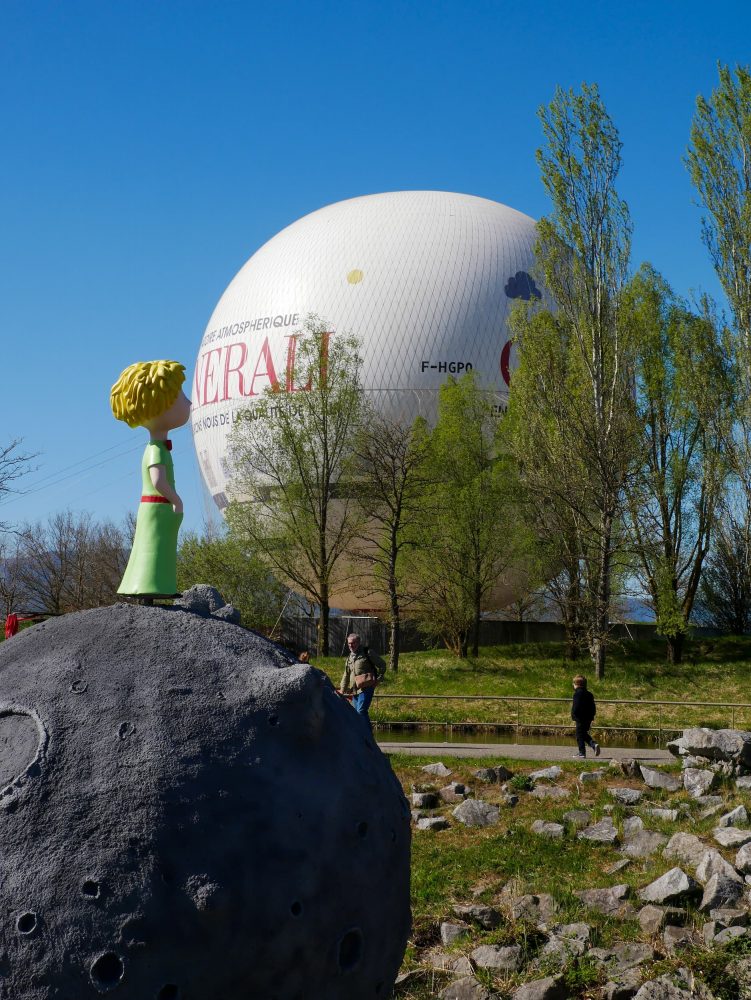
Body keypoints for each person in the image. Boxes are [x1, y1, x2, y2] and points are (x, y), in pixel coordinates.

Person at [110, 360, 191, 597]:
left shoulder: (156, 448)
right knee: (156, 546)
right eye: (180, 397)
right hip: (159, 506)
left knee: (153, 546)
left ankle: (152, 585)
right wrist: (176, 500)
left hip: (155, 507)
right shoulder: (156, 450)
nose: (187, 402)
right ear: (157, 403)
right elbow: (158, 481)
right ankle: (153, 585)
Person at [339, 633, 384, 726]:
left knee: (361, 711)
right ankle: (363, 736)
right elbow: (346, 674)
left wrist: (378, 679)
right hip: (354, 690)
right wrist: (342, 690)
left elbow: (382, 665)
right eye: (349, 643)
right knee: (357, 713)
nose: (351, 645)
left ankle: (366, 735)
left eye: (353, 643)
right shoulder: (349, 657)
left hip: (366, 688)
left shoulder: (368, 652)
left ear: (358, 642)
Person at [571, 675, 600, 759]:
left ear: (576, 685)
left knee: (579, 735)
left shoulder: (577, 694)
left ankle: (582, 753)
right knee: (583, 733)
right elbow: (593, 707)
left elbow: (576, 706)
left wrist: (574, 715)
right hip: (588, 718)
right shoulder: (589, 694)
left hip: (580, 718)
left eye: (573, 683)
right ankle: (594, 745)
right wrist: (592, 716)